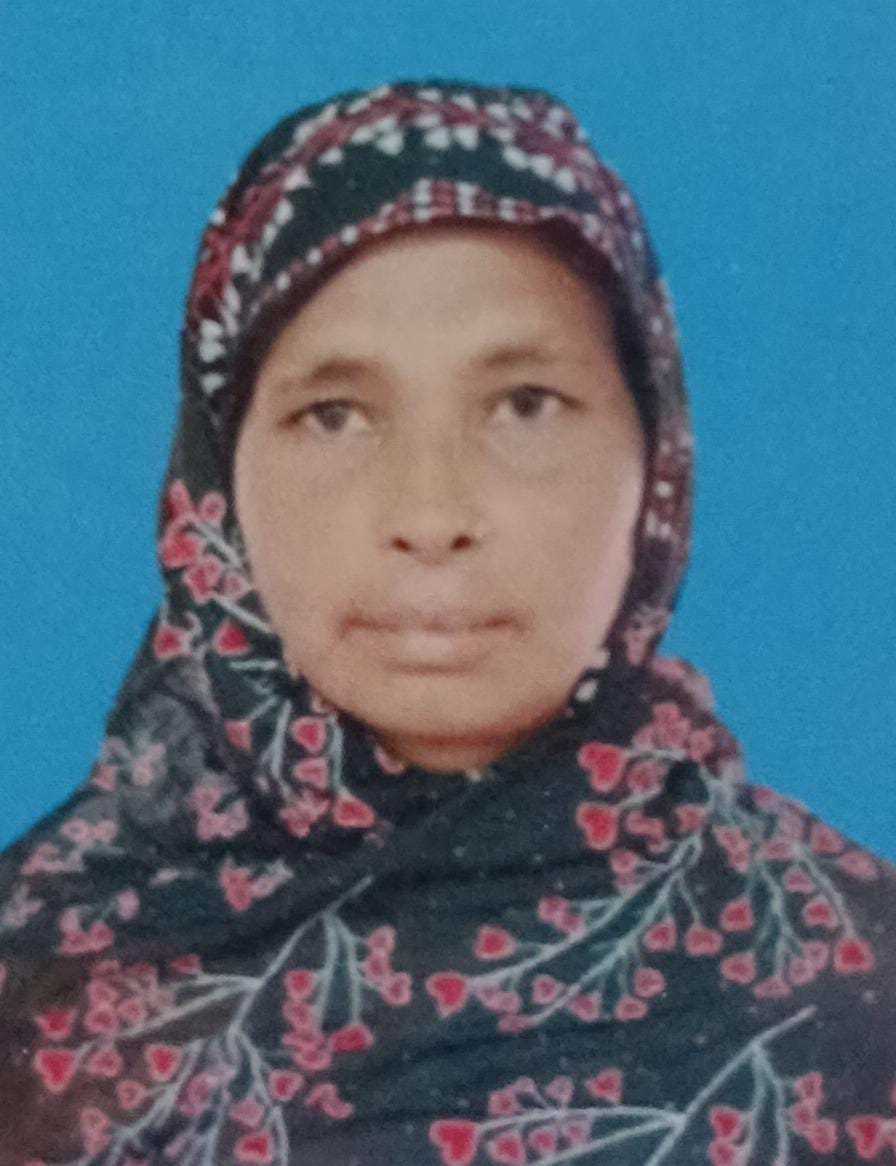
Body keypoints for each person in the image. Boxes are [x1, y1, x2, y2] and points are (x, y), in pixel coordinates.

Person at [0, 77, 893, 1166]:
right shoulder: (37, 977)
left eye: (524, 404)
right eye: (335, 415)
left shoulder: (861, 986)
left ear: (653, 457)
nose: (430, 515)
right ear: (219, 479)